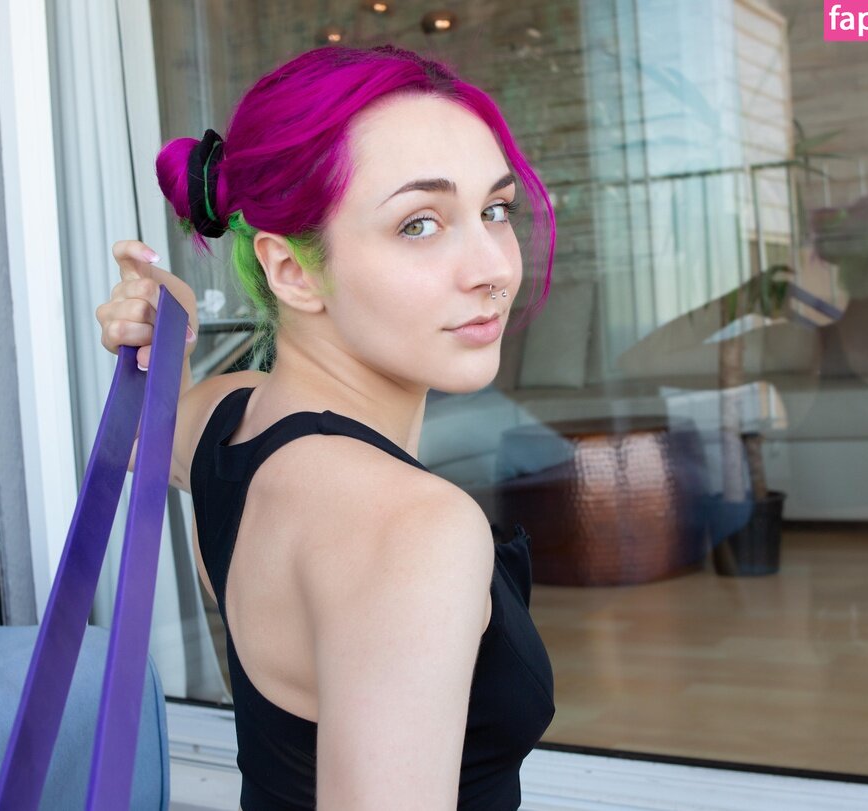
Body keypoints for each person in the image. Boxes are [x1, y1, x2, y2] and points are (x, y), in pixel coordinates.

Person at [96, 45, 556, 809]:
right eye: (419, 223)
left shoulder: (230, 419)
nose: (493, 269)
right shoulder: (415, 530)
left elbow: (154, 442)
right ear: (291, 271)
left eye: (495, 211)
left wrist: (169, 323)